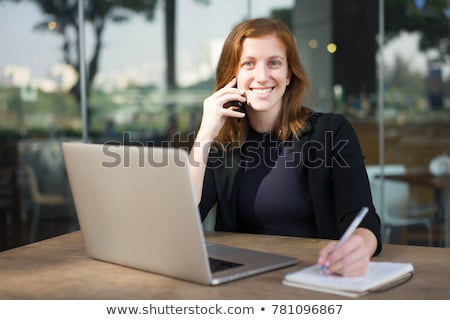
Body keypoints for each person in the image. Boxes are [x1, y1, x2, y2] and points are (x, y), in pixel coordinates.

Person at [188, 18, 382, 277]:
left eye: (274, 63)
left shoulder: (331, 132)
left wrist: (360, 246)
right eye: (249, 63)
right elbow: (184, 220)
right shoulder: (222, 144)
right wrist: (205, 135)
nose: (262, 76)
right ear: (232, 76)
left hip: (315, 276)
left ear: (289, 74)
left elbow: (362, 218)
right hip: (243, 281)